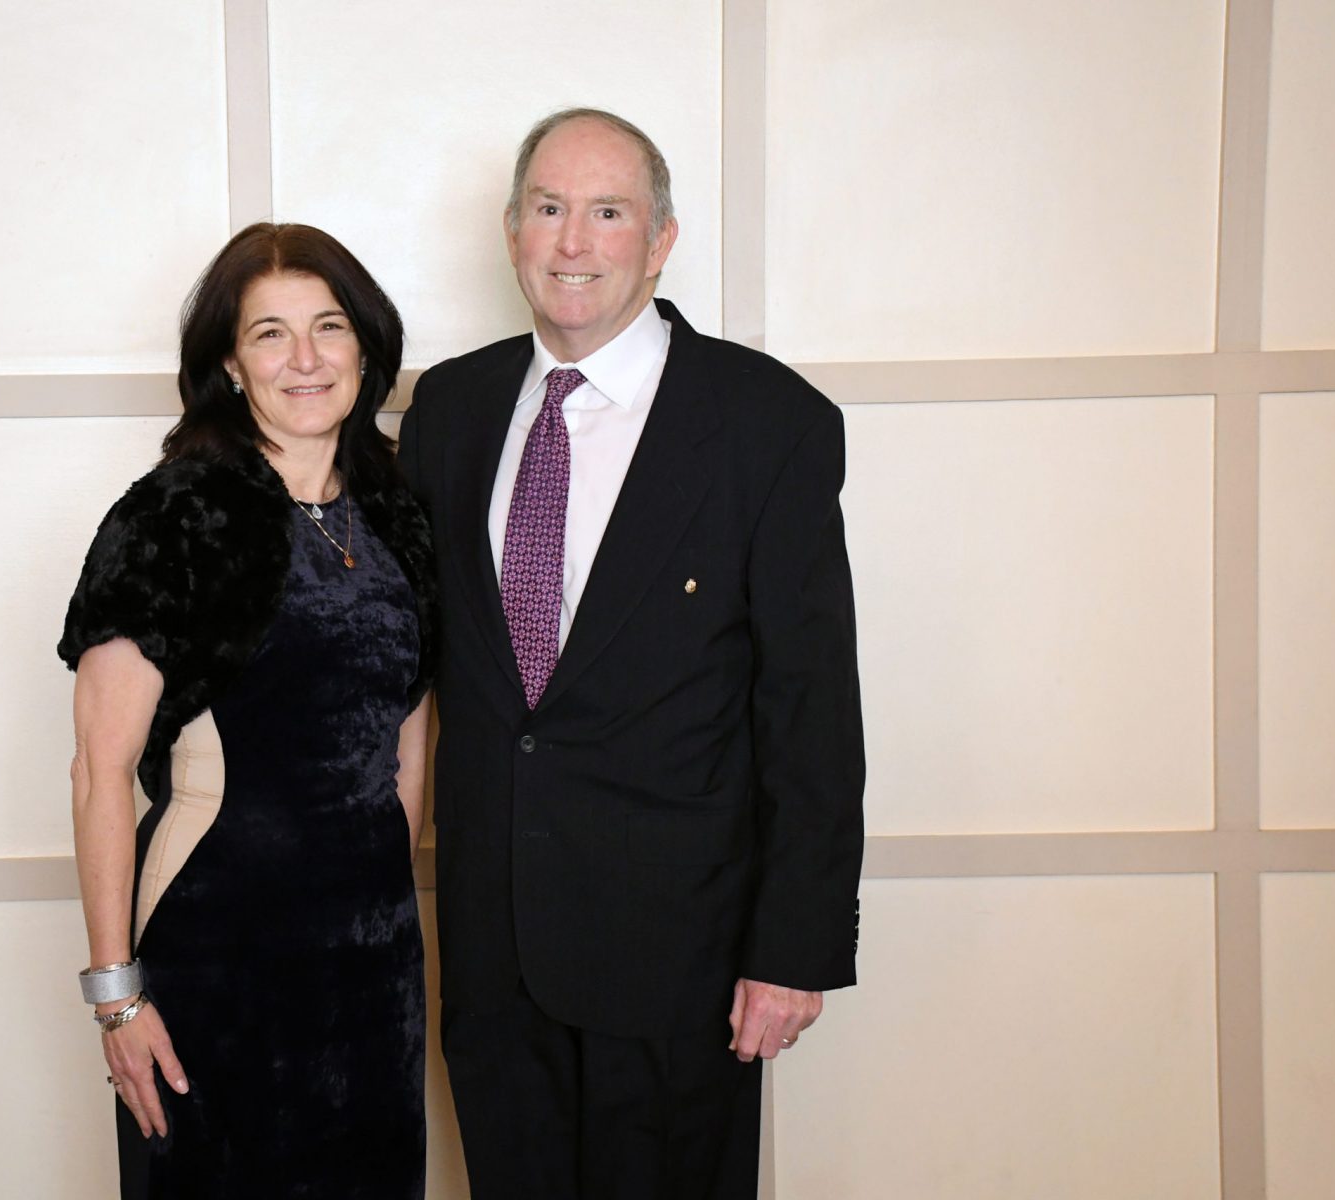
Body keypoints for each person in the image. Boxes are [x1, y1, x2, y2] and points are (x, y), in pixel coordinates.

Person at [397, 108, 865, 1198]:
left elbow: (811, 707)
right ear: (512, 231)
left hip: (681, 960)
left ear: (660, 240)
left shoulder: (766, 422)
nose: (574, 242)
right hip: (493, 952)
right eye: (549, 209)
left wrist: (793, 948)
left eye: (608, 213)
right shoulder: (450, 411)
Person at [57, 222, 437, 1198]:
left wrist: (377, 913)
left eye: (329, 327)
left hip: (372, 965)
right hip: (216, 950)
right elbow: (100, 770)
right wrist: (116, 997)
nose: (305, 358)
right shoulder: (174, 518)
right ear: (230, 363)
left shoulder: (398, 514)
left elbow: (409, 743)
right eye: (271, 333)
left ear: (366, 349)